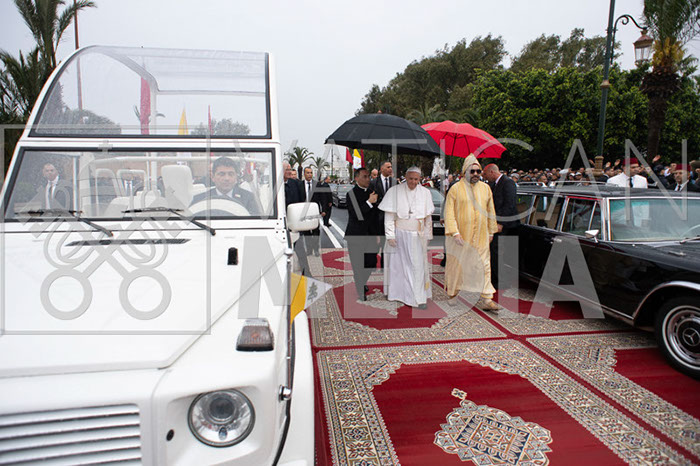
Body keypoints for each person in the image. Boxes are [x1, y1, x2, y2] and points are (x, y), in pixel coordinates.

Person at [444, 155, 501, 311]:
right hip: (461, 237)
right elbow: (449, 213)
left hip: (482, 236)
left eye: (478, 171)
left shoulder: (486, 188)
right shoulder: (455, 189)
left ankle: (487, 298)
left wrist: (491, 232)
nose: (476, 174)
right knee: (458, 266)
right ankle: (453, 294)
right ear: (465, 172)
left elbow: (491, 211)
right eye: (472, 171)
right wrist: (454, 233)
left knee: (484, 266)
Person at [379, 167, 435, 309]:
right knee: (398, 267)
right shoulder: (394, 191)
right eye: (410, 179)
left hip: (417, 235)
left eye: (416, 179)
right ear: (405, 176)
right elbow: (389, 216)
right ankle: (397, 294)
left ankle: (417, 297)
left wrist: (428, 235)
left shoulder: (425, 193)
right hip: (399, 234)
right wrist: (390, 235)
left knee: (417, 267)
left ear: (420, 179)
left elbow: (428, 218)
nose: (413, 182)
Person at [344, 168, 379, 301]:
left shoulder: (372, 193)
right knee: (358, 265)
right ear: (357, 178)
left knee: (371, 262)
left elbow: (375, 216)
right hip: (355, 235)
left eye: (368, 176)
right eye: (364, 176)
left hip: (370, 235)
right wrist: (369, 202)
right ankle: (360, 289)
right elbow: (357, 214)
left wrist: (377, 234)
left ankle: (362, 281)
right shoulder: (351, 194)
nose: (367, 179)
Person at [483, 163, 520, 290]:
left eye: (485, 174)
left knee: (498, 252)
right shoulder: (493, 185)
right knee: (492, 251)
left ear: (492, 172)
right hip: (495, 222)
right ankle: (494, 278)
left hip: (506, 224)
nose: (485, 177)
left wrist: (501, 223)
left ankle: (501, 281)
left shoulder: (508, 183)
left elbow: (509, 204)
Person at [192, 157, 260, 214]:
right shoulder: (199, 199)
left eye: (231, 174)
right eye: (222, 174)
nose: (227, 178)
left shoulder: (249, 199)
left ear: (236, 177)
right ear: (212, 177)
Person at [283, 162, 311, 276]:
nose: (290, 172)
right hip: (281, 224)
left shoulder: (296, 183)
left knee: (300, 250)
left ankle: (307, 273)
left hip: (294, 224)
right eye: (287, 169)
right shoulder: (275, 184)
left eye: (290, 169)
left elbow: (301, 200)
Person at [370, 160, 394, 267]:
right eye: (388, 167)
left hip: (390, 218)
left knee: (387, 243)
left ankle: (385, 264)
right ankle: (373, 262)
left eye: (391, 167)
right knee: (376, 243)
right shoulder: (374, 183)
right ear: (382, 169)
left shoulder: (394, 182)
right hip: (377, 218)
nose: (390, 169)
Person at [301, 167, 323, 256]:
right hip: (304, 212)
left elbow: (322, 198)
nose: (310, 174)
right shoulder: (300, 185)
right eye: (308, 173)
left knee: (316, 231)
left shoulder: (317, 185)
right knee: (306, 232)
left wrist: (323, 210)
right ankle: (309, 250)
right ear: (304, 174)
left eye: (311, 173)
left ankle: (316, 249)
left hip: (315, 212)